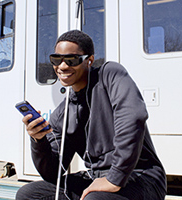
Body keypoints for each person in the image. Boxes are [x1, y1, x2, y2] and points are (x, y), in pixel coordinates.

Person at [16, 30, 166, 200]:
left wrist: (114, 178)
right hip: (96, 180)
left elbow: (133, 117)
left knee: (94, 199)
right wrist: (39, 141)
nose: (63, 66)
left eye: (71, 60)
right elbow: (53, 173)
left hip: (140, 176)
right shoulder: (62, 114)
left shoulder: (109, 75)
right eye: (56, 60)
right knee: (29, 195)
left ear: (89, 60)